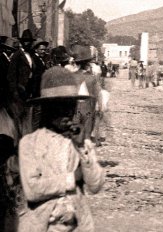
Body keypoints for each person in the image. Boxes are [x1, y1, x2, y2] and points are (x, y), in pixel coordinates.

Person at [18, 68, 105, 231]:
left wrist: (81, 148)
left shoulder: (79, 143)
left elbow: (95, 185)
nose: (67, 112)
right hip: (43, 225)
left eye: (70, 106)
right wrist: (72, 179)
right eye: (59, 106)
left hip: (77, 225)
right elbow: (32, 189)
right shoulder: (30, 143)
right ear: (46, 109)